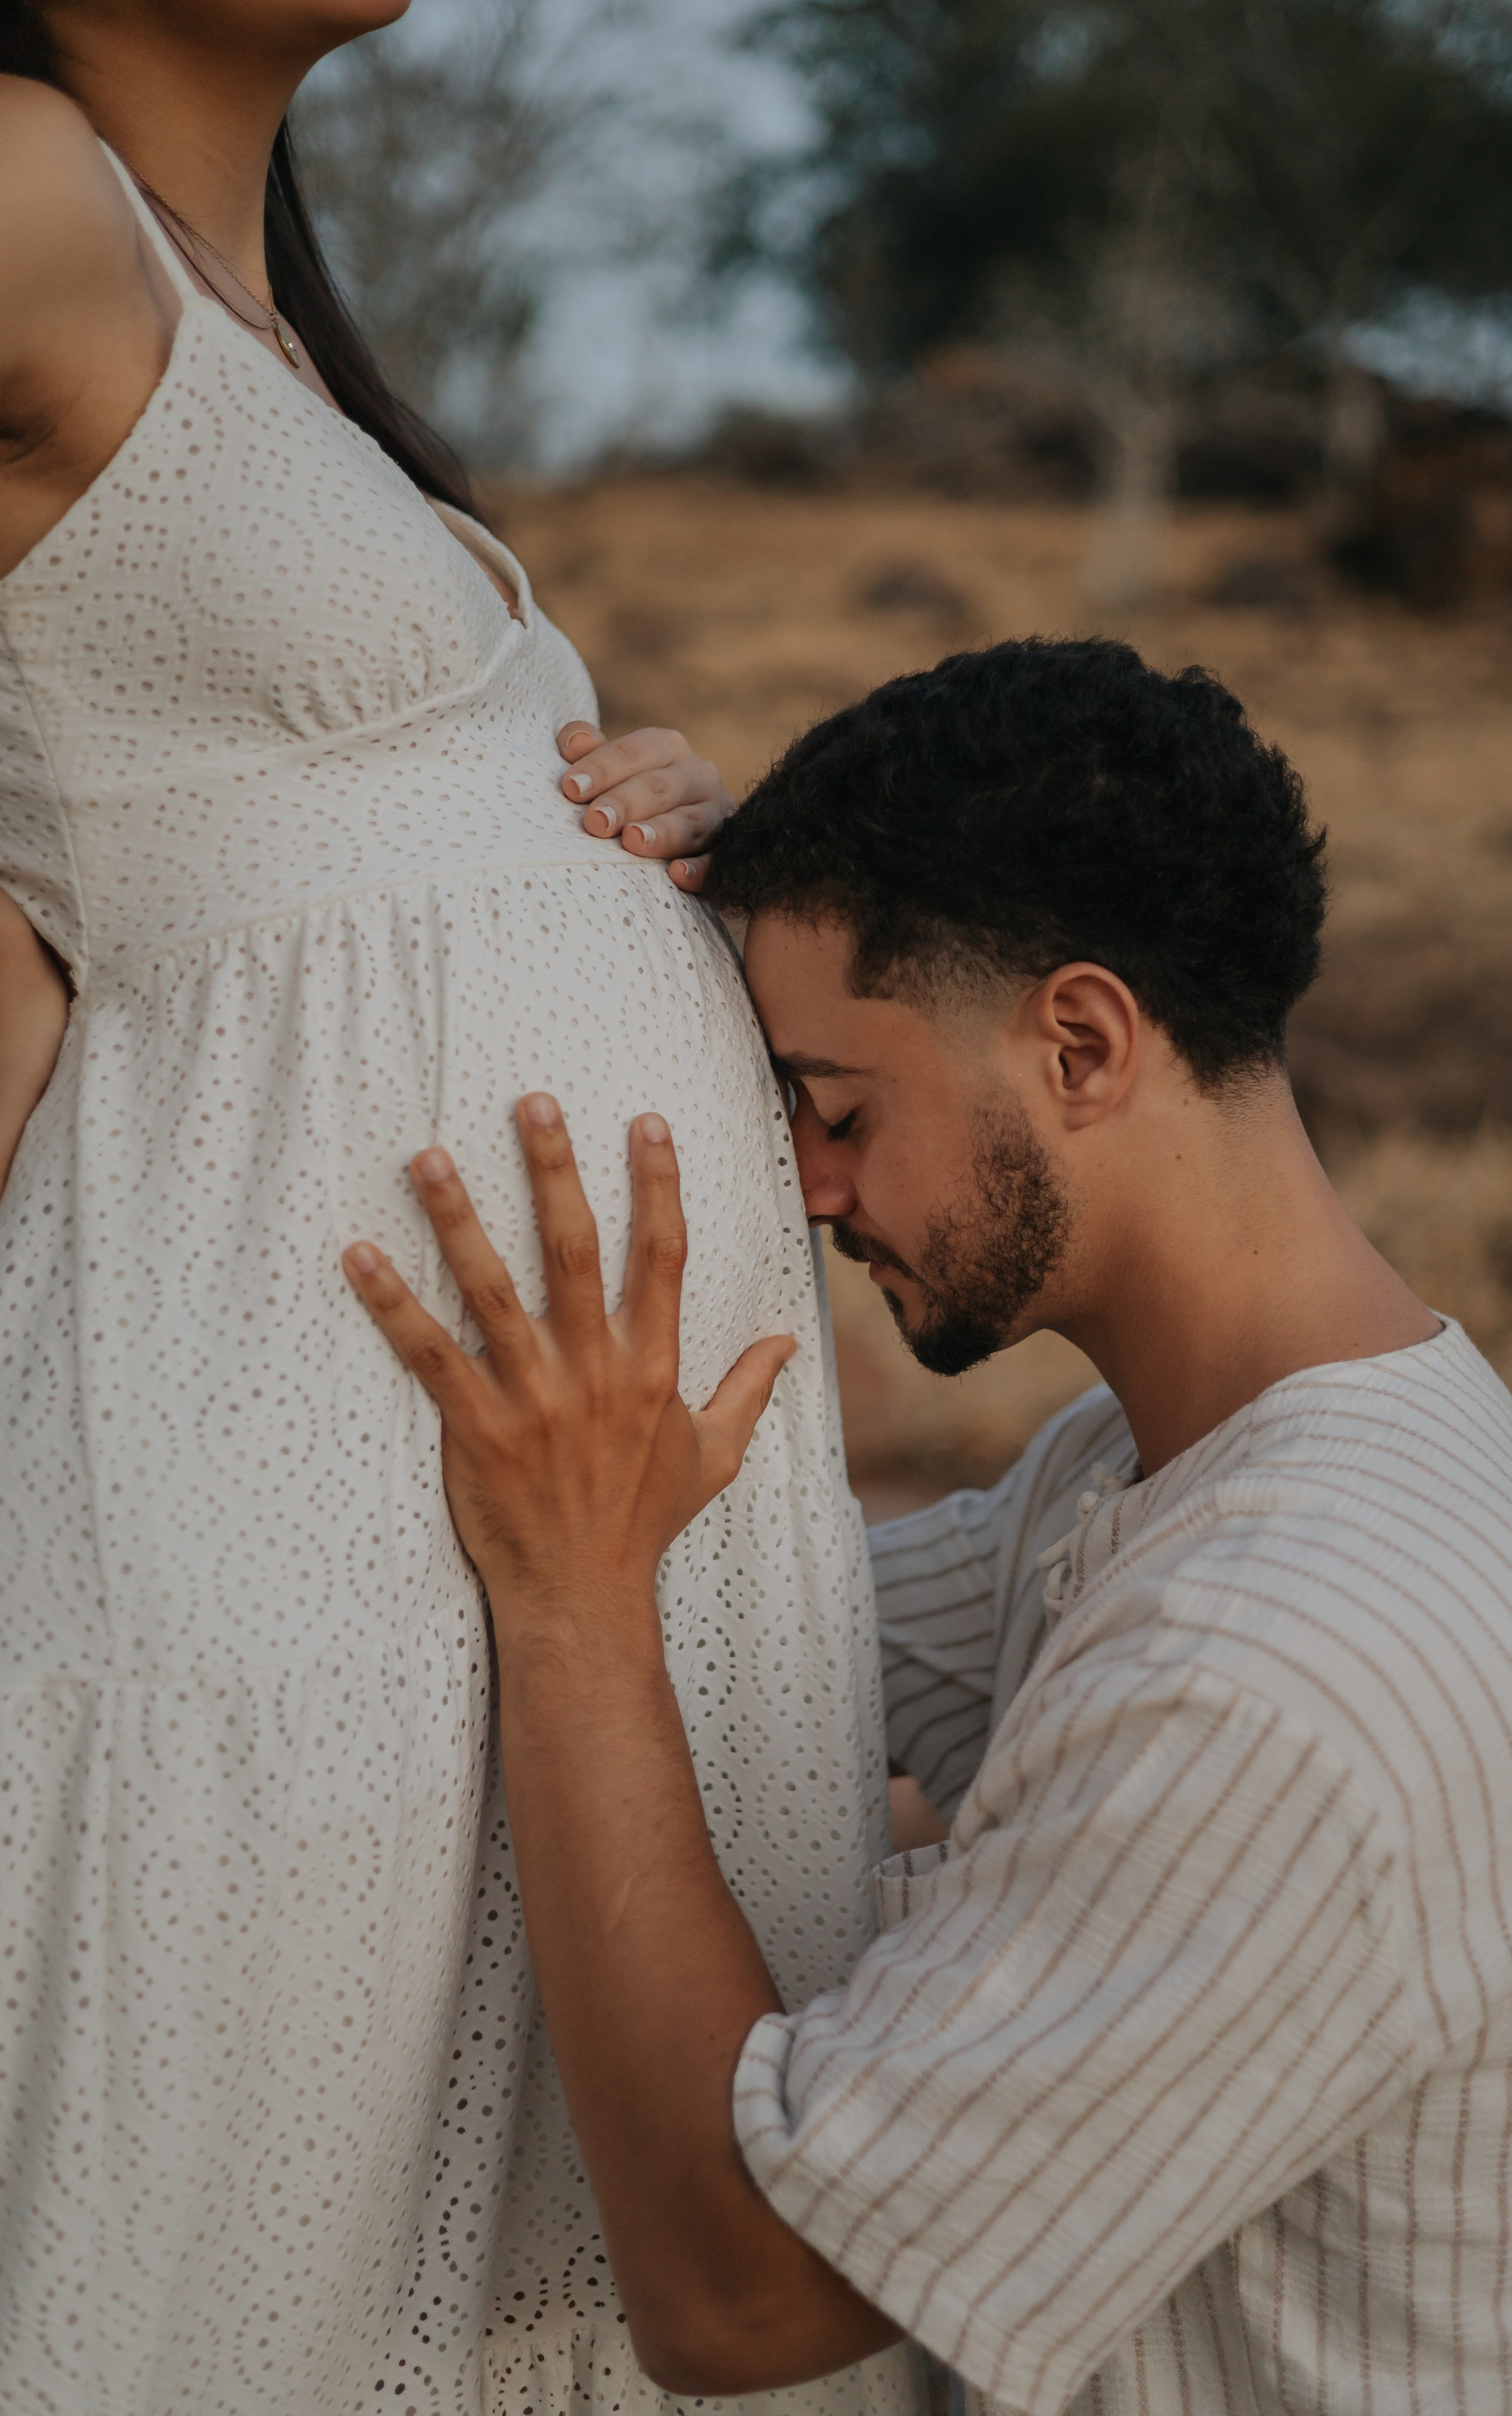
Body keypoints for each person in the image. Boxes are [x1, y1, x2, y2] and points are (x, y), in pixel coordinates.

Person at [348, 637, 1512, 2416]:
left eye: (835, 1105)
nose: (797, 1176)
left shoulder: (1285, 1665)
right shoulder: (1170, 1460)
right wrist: (677, 915)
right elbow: (775, 1653)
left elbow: (740, 2295)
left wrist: (579, 1610)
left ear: (1082, 1041)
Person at [0, 12, 920, 2416]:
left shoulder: (260, 319)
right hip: (297, 1490)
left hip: (561, 1531)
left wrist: (645, 852)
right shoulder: (21, 186)